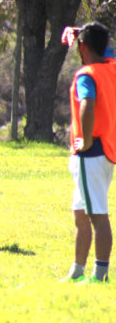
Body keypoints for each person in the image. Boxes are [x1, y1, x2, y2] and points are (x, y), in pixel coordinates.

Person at [61, 22, 116, 283]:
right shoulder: (112, 67)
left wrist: (82, 138)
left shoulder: (87, 75)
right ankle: (77, 272)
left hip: (90, 152)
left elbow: (87, 104)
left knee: (97, 215)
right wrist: (82, 33)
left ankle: (100, 274)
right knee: (81, 214)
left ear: (82, 46)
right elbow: (108, 50)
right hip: (105, 151)